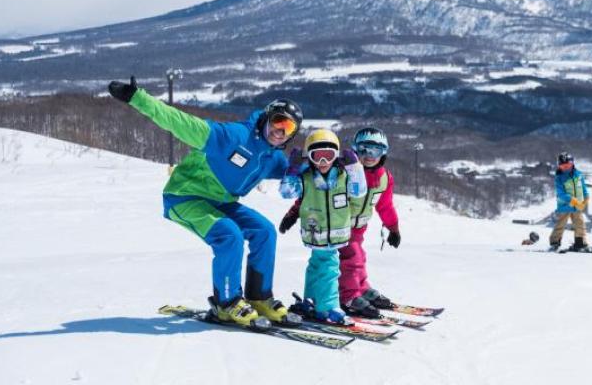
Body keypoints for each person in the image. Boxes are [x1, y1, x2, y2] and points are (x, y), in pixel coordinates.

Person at [107, 76, 302, 326]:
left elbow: (302, 171)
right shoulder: (232, 137)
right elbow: (180, 122)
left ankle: (259, 298)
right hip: (185, 197)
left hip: (221, 202)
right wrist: (138, 98)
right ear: (267, 118)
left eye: (288, 128)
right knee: (229, 236)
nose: (280, 131)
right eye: (278, 122)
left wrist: (326, 165)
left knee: (264, 231)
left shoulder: (272, 158)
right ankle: (226, 304)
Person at [278, 128, 367, 324]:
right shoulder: (306, 178)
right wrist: (292, 170)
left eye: (329, 156)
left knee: (319, 265)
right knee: (328, 268)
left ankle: (313, 300)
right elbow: (286, 193)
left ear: (337, 156)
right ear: (309, 157)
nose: (323, 163)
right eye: (317, 157)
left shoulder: (344, 176)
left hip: (335, 235)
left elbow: (359, 191)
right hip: (316, 233)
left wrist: (355, 168)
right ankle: (327, 307)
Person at [336, 127, 400, 318]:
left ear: (384, 153)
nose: (370, 155)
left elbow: (385, 206)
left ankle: (361, 288)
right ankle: (348, 297)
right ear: (356, 150)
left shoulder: (384, 178)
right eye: (364, 149)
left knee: (359, 257)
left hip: (359, 228)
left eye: (376, 151)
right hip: (340, 227)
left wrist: (393, 229)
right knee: (352, 258)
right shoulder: (345, 172)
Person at [549, 152, 592, 252]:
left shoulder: (579, 175)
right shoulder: (559, 178)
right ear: (559, 166)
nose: (566, 168)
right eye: (563, 166)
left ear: (572, 164)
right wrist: (571, 199)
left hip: (578, 205)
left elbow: (583, 187)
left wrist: (586, 196)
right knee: (561, 224)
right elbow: (560, 193)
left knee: (580, 223)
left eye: (568, 166)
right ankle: (555, 242)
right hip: (565, 205)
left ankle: (580, 243)